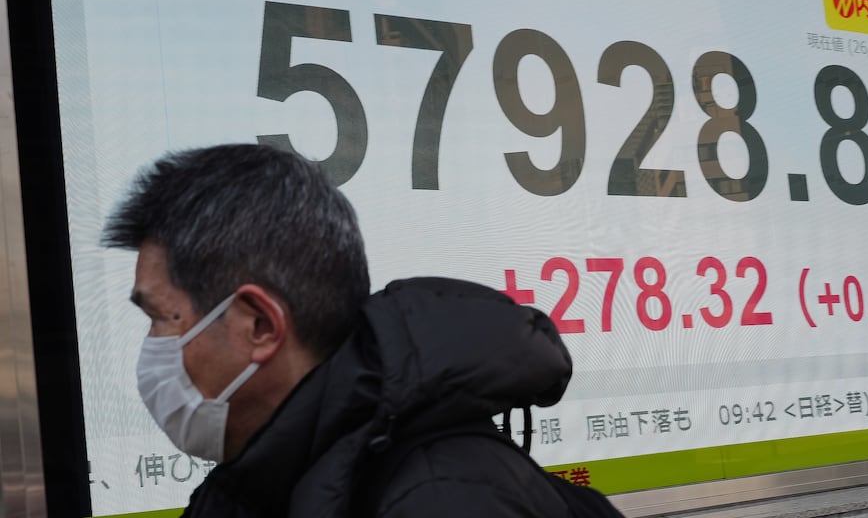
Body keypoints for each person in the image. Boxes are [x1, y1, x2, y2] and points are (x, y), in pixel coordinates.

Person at [103, 144, 575, 517]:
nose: (153, 351)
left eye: (163, 319)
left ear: (260, 325)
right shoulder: (253, 482)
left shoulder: (446, 497)